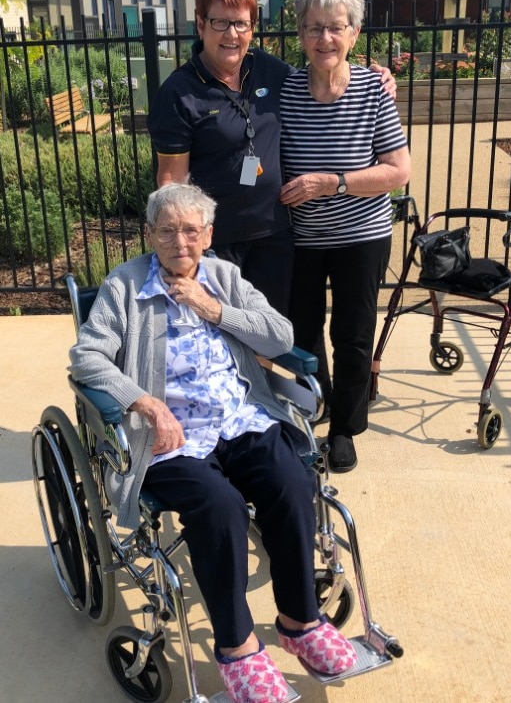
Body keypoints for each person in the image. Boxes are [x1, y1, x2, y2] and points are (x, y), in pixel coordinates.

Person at [68, 183, 359, 703]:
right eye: (167, 231)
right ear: (151, 235)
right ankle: (238, 649)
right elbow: (88, 358)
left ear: (208, 234)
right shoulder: (125, 286)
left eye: (190, 230)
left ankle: (299, 621)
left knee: (292, 480)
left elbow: (280, 336)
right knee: (220, 506)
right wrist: (146, 404)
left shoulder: (224, 277)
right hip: (170, 437)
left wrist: (214, 309)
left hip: (240, 417)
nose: (180, 241)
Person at [147, 0, 396, 316]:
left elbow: (322, 71)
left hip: (274, 237)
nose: (231, 34)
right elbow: (171, 181)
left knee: (271, 336)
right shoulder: (178, 93)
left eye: (241, 24)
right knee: (222, 335)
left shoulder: (268, 70)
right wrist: (185, 245)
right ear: (200, 25)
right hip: (217, 242)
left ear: (252, 28)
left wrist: (372, 75)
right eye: (220, 22)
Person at [279, 0, 411, 474]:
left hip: (362, 236)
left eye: (336, 27)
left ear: (354, 33)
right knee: (302, 332)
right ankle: (322, 404)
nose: (325, 39)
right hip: (303, 239)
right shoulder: (284, 90)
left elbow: (399, 170)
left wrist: (330, 182)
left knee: (353, 335)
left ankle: (345, 430)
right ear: (300, 35)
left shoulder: (374, 91)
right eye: (314, 28)